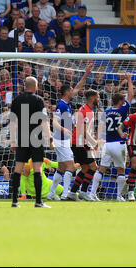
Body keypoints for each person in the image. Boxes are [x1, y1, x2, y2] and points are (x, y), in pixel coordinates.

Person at [47, 64, 92, 201]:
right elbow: (54, 121)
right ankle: (66, 194)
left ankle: (51, 194)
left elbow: (78, 86)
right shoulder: (61, 105)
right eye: (72, 90)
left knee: (61, 168)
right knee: (71, 167)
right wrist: (63, 129)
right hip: (60, 139)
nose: (74, 91)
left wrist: (86, 74)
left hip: (63, 139)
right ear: (67, 92)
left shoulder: (66, 103)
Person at [9, 76, 54, 208]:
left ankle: (14, 201)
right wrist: (50, 139)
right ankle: (39, 201)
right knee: (37, 169)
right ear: (35, 86)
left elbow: (13, 121)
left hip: (22, 138)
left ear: (25, 86)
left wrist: (13, 141)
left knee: (18, 169)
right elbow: (44, 121)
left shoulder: (17, 100)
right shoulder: (39, 100)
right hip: (36, 138)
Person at [89, 75, 134, 202]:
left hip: (107, 144)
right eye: (123, 99)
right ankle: (119, 196)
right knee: (121, 170)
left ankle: (92, 193)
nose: (125, 100)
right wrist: (129, 80)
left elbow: (101, 128)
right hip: (119, 144)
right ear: (120, 101)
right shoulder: (123, 109)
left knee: (102, 169)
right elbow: (131, 95)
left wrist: (98, 141)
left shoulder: (107, 112)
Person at [67, 89, 100, 201]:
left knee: (85, 168)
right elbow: (83, 130)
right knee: (93, 167)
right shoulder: (85, 110)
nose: (99, 99)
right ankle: (84, 191)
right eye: (98, 97)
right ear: (92, 98)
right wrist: (94, 142)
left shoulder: (88, 110)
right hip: (80, 143)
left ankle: (72, 192)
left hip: (80, 143)